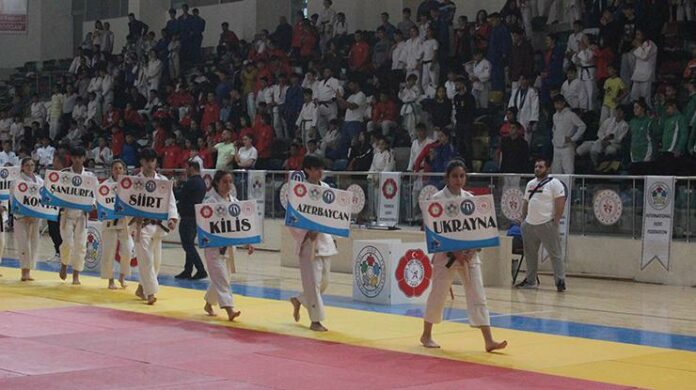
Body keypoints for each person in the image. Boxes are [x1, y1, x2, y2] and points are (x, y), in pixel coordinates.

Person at [420, 159, 507, 352]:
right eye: (454, 176)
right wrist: (454, 250)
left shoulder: (471, 199)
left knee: (478, 295)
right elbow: (434, 231)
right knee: (438, 294)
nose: (459, 180)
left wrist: (472, 249)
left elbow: (478, 230)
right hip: (445, 256)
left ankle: (488, 340)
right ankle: (426, 334)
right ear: (447, 178)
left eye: (462, 176)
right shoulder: (437, 199)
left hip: (469, 256)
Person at [289, 156, 338, 332]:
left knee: (324, 282)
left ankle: (300, 300)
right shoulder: (299, 191)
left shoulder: (327, 189)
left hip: (325, 241)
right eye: (317, 168)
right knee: (313, 284)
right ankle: (315, 321)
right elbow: (292, 220)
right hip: (308, 244)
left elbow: (333, 215)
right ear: (307, 170)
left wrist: (335, 234)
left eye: (321, 169)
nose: (320, 172)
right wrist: (306, 233)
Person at [202, 170, 255, 321]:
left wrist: (248, 241)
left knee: (222, 278)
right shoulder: (210, 203)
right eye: (224, 182)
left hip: (229, 249)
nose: (228, 185)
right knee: (222, 279)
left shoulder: (235, 203)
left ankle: (208, 303)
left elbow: (241, 226)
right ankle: (229, 309)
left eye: (230, 182)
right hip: (214, 249)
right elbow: (204, 226)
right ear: (216, 183)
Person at [133, 148, 179, 305]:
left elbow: (170, 201)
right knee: (146, 260)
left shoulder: (163, 181)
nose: (150, 164)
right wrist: (131, 216)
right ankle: (151, 293)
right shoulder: (134, 181)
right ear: (142, 162)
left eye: (153, 161)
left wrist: (172, 218)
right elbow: (125, 203)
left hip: (158, 226)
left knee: (156, 262)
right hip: (141, 226)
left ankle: (141, 287)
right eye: (147, 161)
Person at [516, 158, 567, 292]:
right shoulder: (530, 184)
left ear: (547, 169)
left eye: (540, 167)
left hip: (546, 224)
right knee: (530, 254)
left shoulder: (554, 183)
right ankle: (531, 280)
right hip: (529, 225)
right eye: (536, 166)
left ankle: (560, 281)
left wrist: (555, 220)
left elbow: (560, 202)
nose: (537, 169)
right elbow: (526, 202)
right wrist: (523, 220)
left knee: (555, 254)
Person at [58, 147, 96, 285]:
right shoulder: (65, 174)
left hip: (82, 215)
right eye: (75, 157)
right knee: (67, 243)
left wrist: (93, 205)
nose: (78, 160)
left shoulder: (90, 177)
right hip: (66, 214)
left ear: (84, 158)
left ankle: (76, 274)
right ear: (71, 158)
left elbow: (95, 195)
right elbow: (56, 191)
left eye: (80, 157)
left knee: (80, 245)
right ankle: (64, 263)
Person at [100, 160, 131, 289]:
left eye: (120, 168)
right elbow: (101, 203)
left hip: (124, 222)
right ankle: (110, 280)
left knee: (128, 250)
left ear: (124, 170)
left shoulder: (129, 185)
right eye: (116, 168)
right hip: (109, 222)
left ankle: (122, 276)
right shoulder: (105, 186)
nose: (118, 170)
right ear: (112, 170)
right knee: (109, 251)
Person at [175, 160, 208, 280]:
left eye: (187, 168)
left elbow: (180, 195)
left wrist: (174, 187)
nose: (185, 171)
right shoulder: (201, 182)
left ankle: (200, 269)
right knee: (189, 244)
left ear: (192, 168)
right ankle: (188, 269)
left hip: (188, 217)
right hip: (194, 217)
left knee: (188, 245)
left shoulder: (192, 182)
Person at [14, 158, 44, 281]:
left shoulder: (41, 181)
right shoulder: (17, 181)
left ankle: (29, 270)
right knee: (23, 244)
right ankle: (23, 272)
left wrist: (37, 214)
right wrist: (24, 214)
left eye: (32, 164)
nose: (30, 167)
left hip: (36, 217)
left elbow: (43, 200)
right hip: (21, 218)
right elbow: (14, 200)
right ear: (22, 167)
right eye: (27, 165)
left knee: (34, 244)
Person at [551, 95, 586, 174]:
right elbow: (554, 129)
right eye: (556, 103)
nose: (557, 105)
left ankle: (569, 186)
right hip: (556, 146)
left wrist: (573, 138)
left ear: (563, 103)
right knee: (556, 171)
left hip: (567, 146)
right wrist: (554, 139)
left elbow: (582, 126)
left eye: (559, 103)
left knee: (568, 170)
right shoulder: (555, 116)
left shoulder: (571, 115)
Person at [628, 99, 657, 175]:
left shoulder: (649, 121)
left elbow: (656, 135)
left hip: (646, 153)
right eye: (634, 108)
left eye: (637, 107)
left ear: (643, 109)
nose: (635, 110)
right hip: (634, 153)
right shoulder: (632, 122)